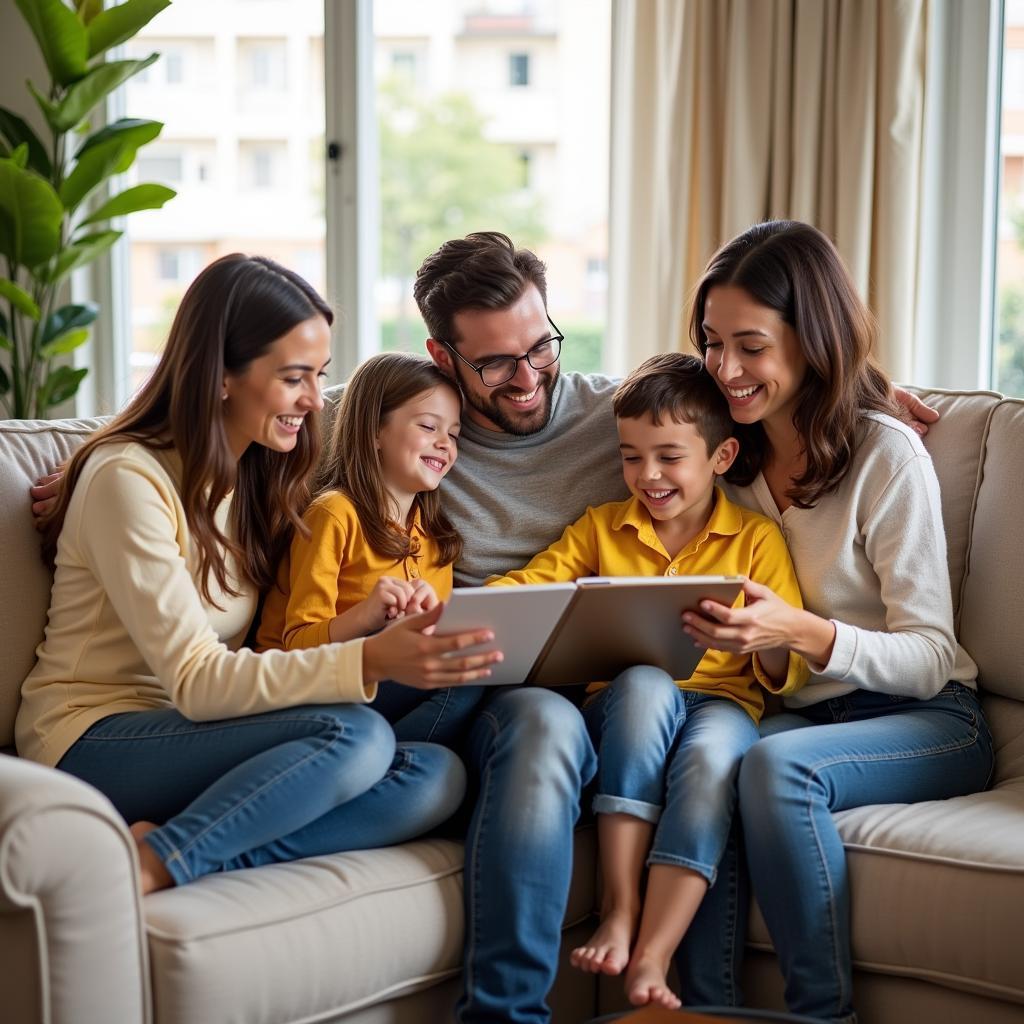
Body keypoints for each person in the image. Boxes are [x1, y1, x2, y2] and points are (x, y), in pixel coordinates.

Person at [27, 232, 944, 1023]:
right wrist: (90, 456)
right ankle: (180, 856)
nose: (527, 376)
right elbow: (269, 401)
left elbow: (723, 383)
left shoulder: (605, 413)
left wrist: (861, 388)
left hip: (510, 694)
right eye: (496, 363)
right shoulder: (393, 421)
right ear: (445, 357)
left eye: (539, 345)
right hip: (372, 684)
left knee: (459, 767)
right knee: (373, 736)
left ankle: (512, 1008)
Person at [16, 253, 500, 896]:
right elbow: (195, 681)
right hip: (95, 735)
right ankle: (155, 864)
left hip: (201, 733)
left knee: (437, 775)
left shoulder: (259, 472)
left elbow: (367, 421)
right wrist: (369, 661)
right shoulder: (126, 479)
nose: (312, 399)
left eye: (320, 375)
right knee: (352, 734)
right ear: (221, 375)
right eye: (295, 377)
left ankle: (193, 843)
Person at [680, 220, 995, 1023]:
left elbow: (930, 654)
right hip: (804, 713)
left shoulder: (883, 454)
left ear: (811, 338)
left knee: (778, 769)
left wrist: (803, 632)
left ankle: (823, 1014)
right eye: (712, 343)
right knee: (701, 765)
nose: (725, 369)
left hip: (929, 719)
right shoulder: (727, 457)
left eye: (751, 346)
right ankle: (703, 1009)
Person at [487, 351, 808, 1010]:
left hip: (723, 702)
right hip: (624, 710)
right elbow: (526, 589)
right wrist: (473, 606)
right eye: (631, 457)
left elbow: (785, 670)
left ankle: (653, 956)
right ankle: (621, 909)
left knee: (715, 764)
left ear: (721, 458)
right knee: (645, 685)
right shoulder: (601, 529)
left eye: (668, 456)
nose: (647, 475)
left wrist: (761, 636)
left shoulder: (755, 540)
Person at [255, 350, 485, 745]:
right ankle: (372, 752)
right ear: (375, 431)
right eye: (429, 427)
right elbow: (296, 643)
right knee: (464, 676)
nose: (444, 444)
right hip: (305, 693)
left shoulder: (436, 537)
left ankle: (381, 755)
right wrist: (367, 616)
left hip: (376, 694)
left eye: (454, 435)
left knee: (473, 683)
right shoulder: (333, 514)